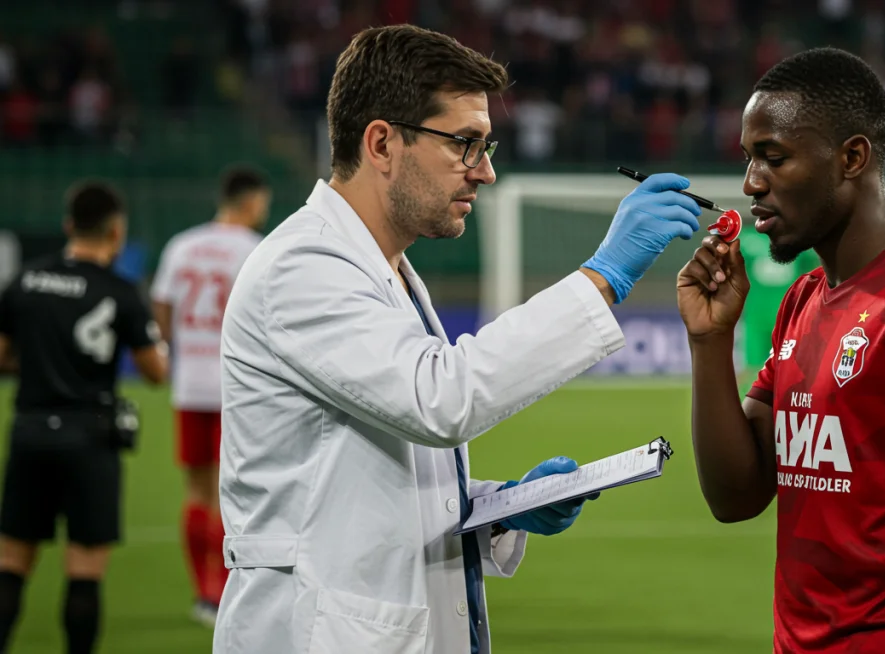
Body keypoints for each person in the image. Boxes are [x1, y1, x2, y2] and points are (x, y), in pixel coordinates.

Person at [214, 24, 701, 654]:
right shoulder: (302, 266)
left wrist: (499, 507)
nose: (487, 172)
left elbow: (357, 486)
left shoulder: (380, 268)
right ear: (382, 142)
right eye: (466, 144)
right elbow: (440, 398)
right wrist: (602, 278)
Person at [677, 48, 885, 653]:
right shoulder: (804, 299)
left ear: (851, 158)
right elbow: (736, 497)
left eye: (773, 158)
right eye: (749, 159)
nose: (751, 183)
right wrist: (709, 342)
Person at [0, 182, 169, 654]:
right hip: (90, 437)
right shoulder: (121, 290)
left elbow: (1, 356)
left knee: (11, 561)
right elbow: (155, 373)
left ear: (68, 225)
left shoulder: (27, 280)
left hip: (31, 430)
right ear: (116, 232)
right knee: (85, 570)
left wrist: (34, 361)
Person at [149, 166, 271, 625]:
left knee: (195, 490)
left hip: (189, 383)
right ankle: (227, 591)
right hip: (234, 384)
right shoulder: (253, 249)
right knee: (232, 492)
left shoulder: (181, 245)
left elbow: (161, 305)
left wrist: (176, 348)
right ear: (251, 200)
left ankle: (202, 591)